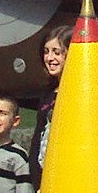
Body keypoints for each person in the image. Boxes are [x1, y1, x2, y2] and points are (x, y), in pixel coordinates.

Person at [28, 22, 73, 167]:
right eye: (46, 51)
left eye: (57, 52)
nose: (50, 58)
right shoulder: (48, 92)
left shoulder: (79, 93)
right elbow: (38, 136)